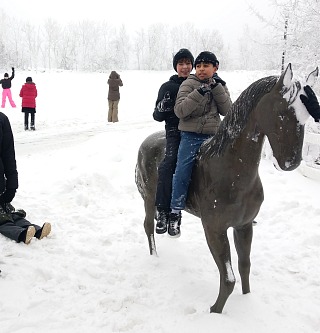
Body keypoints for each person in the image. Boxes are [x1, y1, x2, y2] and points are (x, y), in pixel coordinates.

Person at [167, 51, 232, 237]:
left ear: (215, 67)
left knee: (229, 167)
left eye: (206, 66)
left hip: (214, 136)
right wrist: (199, 92)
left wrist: (217, 88)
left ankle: (234, 206)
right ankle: (175, 211)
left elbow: (228, 110)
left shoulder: (221, 85)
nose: (202, 69)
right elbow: (180, 111)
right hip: (191, 135)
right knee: (182, 170)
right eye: (199, 66)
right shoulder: (188, 84)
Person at [153, 48, 194, 234]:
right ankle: (163, 210)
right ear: (176, 66)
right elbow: (157, 115)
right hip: (174, 131)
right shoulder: (167, 87)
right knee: (169, 163)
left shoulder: (199, 83)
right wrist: (163, 107)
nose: (185, 67)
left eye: (187, 63)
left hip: (196, 130)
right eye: (181, 64)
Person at [0, 111, 51, 244]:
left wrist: (12, 185)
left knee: (9, 212)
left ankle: (35, 230)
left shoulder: (2, 119)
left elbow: (8, 155)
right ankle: (21, 234)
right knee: (2, 218)